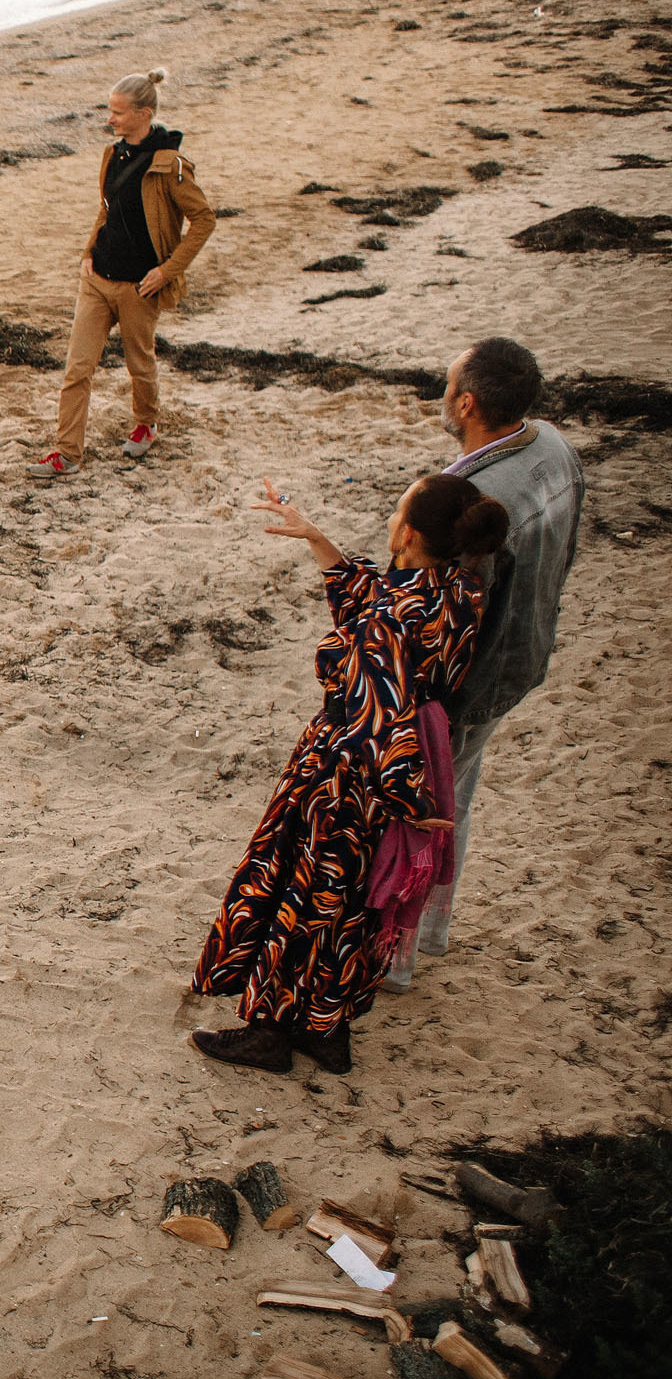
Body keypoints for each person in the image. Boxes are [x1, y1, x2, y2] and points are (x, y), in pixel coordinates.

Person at [190, 474, 509, 1075]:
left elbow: (377, 716)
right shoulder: (458, 589)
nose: (391, 519)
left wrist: (406, 797)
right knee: (352, 902)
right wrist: (318, 539)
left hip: (347, 770)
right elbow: (378, 595)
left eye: (397, 510)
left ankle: (268, 1035)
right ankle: (327, 1032)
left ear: (408, 532)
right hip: (404, 761)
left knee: (301, 895)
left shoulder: (385, 620)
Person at [384, 338, 584, 988]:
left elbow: (448, 619)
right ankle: (433, 933)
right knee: (457, 801)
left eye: (448, 385)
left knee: (419, 818)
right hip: (522, 661)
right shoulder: (552, 445)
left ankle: (395, 961)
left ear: (466, 402)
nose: (443, 394)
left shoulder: (473, 500)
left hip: (468, 688)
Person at [30, 67, 215, 477]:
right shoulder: (112, 155)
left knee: (139, 364)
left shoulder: (171, 165)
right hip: (97, 279)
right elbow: (106, 208)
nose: (109, 119)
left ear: (144, 113)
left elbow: (204, 220)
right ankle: (67, 454)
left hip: (140, 286)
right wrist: (87, 252)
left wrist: (167, 271)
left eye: (117, 112)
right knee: (77, 368)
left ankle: (146, 423)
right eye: (109, 110)